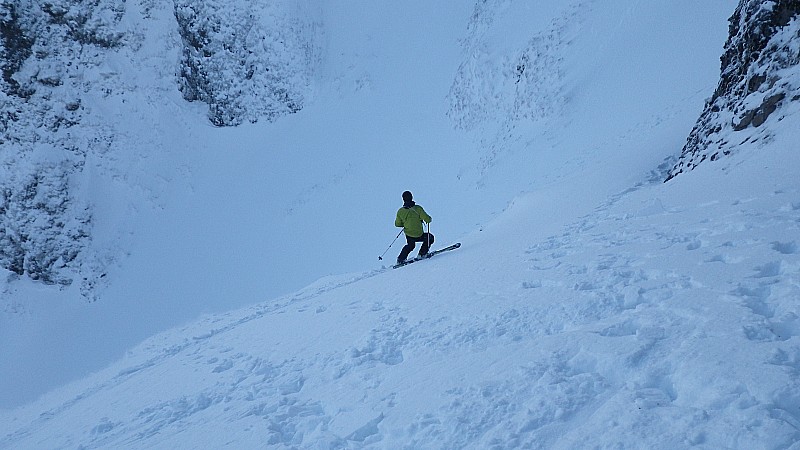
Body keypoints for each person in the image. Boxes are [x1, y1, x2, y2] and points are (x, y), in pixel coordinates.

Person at [395, 191, 434, 264]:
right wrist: (428, 219)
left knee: (410, 246)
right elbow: (428, 219)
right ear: (412, 197)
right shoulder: (418, 209)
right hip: (419, 234)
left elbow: (397, 224)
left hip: (409, 235)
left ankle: (401, 259)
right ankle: (422, 254)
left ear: (403, 199)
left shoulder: (400, 211)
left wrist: (406, 223)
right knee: (430, 238)